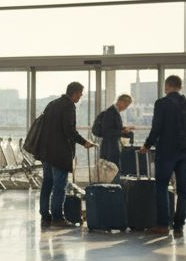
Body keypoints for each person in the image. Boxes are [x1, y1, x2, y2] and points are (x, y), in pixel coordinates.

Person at [140, 75, 186, 238]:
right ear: (180, 87)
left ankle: (163, 225)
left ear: (167, 87)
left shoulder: (162, 103)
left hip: (167, 152)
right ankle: (179, 226)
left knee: (161, 187)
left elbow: (157, 128)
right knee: (183, 190)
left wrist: (147, 145)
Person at [32, 82, 94, 229]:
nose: (81, 96)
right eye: (80, 93)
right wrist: (84, 142)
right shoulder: (68, 107)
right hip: (59, 154)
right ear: (75, 93)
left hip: (46, 152)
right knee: (60, 186)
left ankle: (45, 215)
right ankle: (58, 218)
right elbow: (69, 131)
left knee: (47, 184)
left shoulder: (52, 104)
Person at [92, 95, 134, 165]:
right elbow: (107, 131)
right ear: (120, 102)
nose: (126, 108)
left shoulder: (113, 112)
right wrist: (123, 131)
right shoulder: (110, 112)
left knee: (112, 169)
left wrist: (124, 129)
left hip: (110, 146)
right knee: (112, 169)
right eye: (126, 105)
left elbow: (113, 128)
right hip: (109, 147)